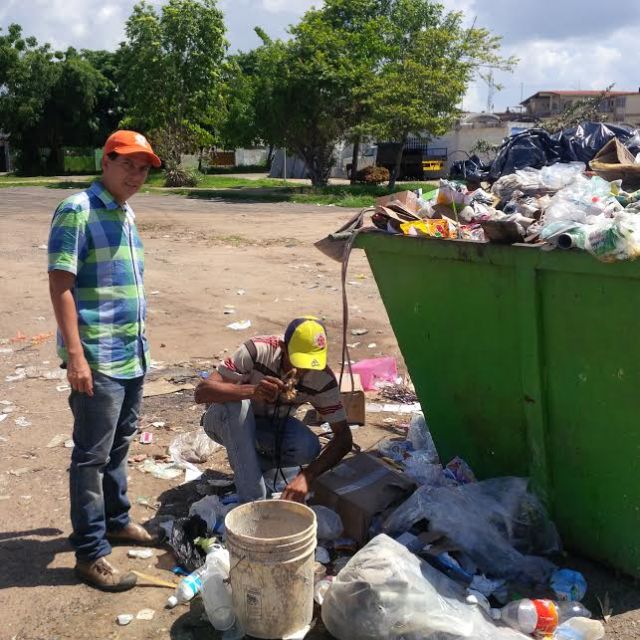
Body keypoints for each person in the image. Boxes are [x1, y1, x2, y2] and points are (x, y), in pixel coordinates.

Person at [47, 131, 161, 592]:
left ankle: (116, 520)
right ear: (106, 160)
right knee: (91, 457)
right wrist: (76, 356)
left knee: (118, 446)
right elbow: (61, 285)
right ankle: (91, 553)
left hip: (132, 352)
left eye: (144, 168)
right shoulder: (77, 209)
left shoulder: (126, 211)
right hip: (97, 357)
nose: (136, 175)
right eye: (128, 165)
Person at [195, 316, 353, 503]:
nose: (302, 371)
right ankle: (254, 502)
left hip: (269, 428)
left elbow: (344, 438)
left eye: (311, 364)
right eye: (298, 362)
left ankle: (257, 473)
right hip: (223, 420)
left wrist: (306, 477)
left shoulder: (322, 379)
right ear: (283, 347)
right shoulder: (257, 350)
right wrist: (251, 391)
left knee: (307, 446)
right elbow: (201, 393)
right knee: (237, 405)